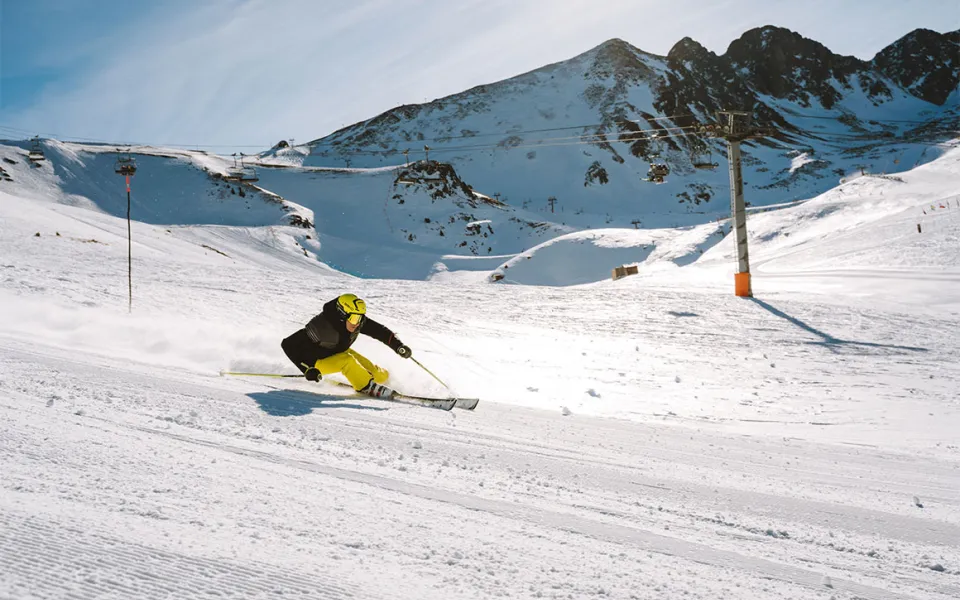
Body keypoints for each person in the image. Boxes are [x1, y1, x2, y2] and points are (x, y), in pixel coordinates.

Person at [281, 293, 412, 399]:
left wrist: (398, 346)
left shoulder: (357, 322)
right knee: (348, 362)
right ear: (342, 314)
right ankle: (366, 386)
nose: (357, 323)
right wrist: (307, 369)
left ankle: (380, 379)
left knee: (377, 374)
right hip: (316, 362)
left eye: (360, 318)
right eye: (354, 318)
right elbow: (287, 344)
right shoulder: (322, 326)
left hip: (337, 352)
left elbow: (380, 332)